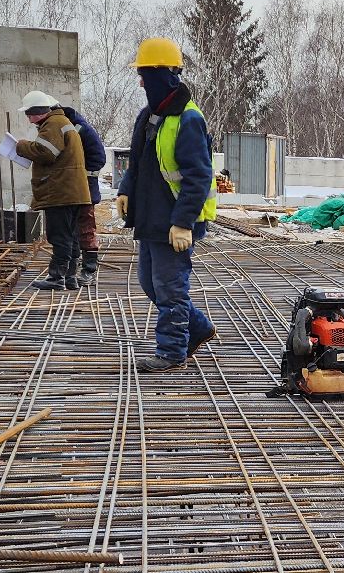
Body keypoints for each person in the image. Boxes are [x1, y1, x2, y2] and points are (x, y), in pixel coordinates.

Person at [114, 37, 218, 372]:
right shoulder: (149, 115)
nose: (141, 82)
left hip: (174, 221)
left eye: (145, 74)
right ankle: (198, 327)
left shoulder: (188, 118)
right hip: (151, 219)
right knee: (150, 283)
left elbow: (199, 177)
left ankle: (172, 352)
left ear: (164, 75)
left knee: (171, 291)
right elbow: (138, 163)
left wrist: (184, 222)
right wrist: (126, 190)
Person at [13, 90, 92, 291]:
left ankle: (57, 277)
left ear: (38, 111)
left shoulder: (53, 124)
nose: (29, 120)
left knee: (60, 236)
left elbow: (46, 152)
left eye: (29, 114)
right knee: (71, 235)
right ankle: (70, 277)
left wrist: (21, 146)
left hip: (61, 192)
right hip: (71, 191)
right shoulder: (63, 122)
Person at [62, 105, 107, 286]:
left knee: (86, 229)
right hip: (73, 188)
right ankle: (71, 270)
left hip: (85, 189)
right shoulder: (73, 126)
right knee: (71, 229)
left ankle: (89, 270)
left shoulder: (78, 129)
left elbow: (99, 158)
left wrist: (80, 173)